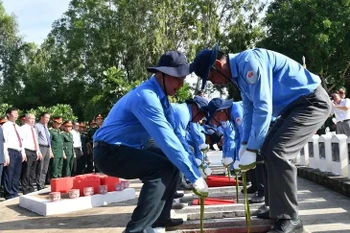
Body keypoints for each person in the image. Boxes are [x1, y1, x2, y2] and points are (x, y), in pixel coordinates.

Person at [191, 44, 331, 233]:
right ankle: (276, 208)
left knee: (278, 151)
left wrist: (251, 146)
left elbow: (263, 107)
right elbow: (249, 111)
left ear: (218, 64)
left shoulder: (249, 63)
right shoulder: (239, 75)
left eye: (211, 77)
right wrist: (246, 144)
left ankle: (290, 217)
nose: (214, 83)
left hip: (312, 102)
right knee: (265, 150)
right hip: (294, 107)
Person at [93, 51, 207, 232]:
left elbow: (177, 138)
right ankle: (136, 230)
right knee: (161, 168)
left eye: (183, 79)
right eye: (177, 78)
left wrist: (193, 167)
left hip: (125, 149)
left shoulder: (163, 100)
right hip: (109, 151)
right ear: (161, 74)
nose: (181, 84)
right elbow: (167, 140)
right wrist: (194, 177)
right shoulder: (146, 97)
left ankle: (161, 219)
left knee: (172, 163)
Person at [2, 107, 26, 199]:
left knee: (16, 173)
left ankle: (15, 192)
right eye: (14, 113)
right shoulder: (5, 126)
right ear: (8, 114)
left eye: (17, 113)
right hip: (10, 151)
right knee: (9, 173)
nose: (16, 115)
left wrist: (22, 152)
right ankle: (9, 193)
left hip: (18, 151)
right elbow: (4, 141)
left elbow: (21, 140)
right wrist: (6, 154)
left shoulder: (18, 127)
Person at [20, 113, 41, 194]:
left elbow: (35, 141)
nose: (33, 121)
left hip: (34, 151)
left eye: (34, 119)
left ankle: (31, 186)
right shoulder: (23, 128)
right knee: (26, 171)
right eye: (31, 119)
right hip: (27, 150)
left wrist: (38, 151)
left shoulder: (33, 129)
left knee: (32, 171)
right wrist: (23, 152)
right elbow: (21, 141)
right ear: (27, 119)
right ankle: (25, 188)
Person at [35, 112, 52, 190]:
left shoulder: (46, 127)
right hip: (41, 147)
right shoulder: (37, 126)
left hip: (47, 147)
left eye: (48, 118)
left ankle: (42, 182)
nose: (47, 119)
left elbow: (48, 140)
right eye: (46, 117)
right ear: (41, 117)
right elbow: (35, 138)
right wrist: (37, 149)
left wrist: (50, 150)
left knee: (45, 166)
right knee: (40, 166)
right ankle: (38, 183)